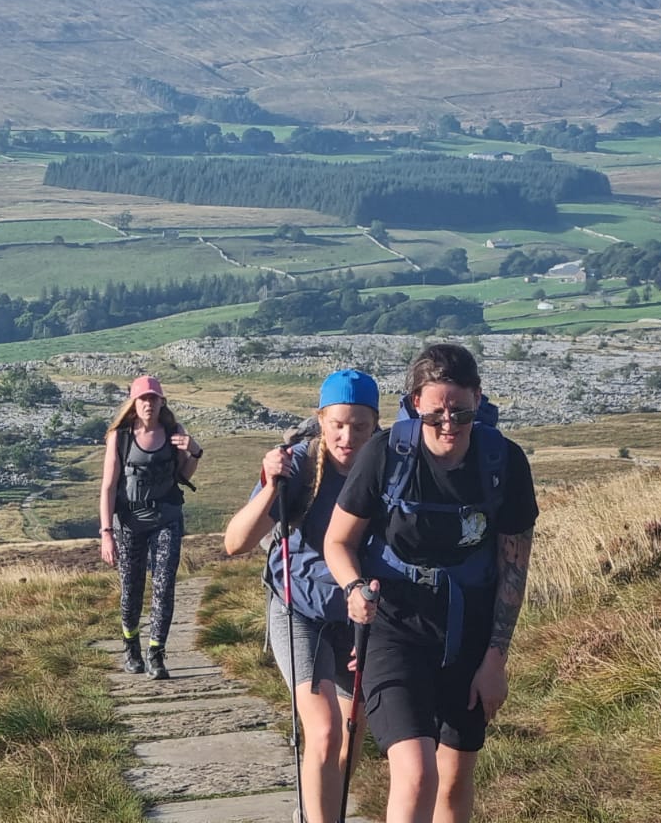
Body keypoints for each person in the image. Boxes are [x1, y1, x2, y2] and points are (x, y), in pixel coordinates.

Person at [324, 343, 537, 823]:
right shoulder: (386, 454)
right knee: (417, 771)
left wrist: (494, 663)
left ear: (478, 401)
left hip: (468, 633)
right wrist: (355, 589)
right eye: (437, 411)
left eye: (460, 412)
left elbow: (514, 569)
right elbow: (337, 541)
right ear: (414, 401)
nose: (449, 424)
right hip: (393, 628)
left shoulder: (505, 464)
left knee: (456, 776)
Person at [222, 369, 382, 823]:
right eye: (337, 424)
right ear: (321, 419)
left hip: (360, 619)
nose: (347, 436)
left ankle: (312, 811)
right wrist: (272, 485)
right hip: (299, 610)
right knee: (326, 731)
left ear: (376, 424)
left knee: (352, 737)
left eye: (360, 426)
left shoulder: (388, 467)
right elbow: (235, 543)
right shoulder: (298, 467)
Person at [99, 374, 202, 680]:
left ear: (161, 402)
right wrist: (106, 533)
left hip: (167, 518)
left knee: (164, 585)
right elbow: (108, 487)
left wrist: (194, 451)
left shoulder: (174, 432)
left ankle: (156, 653)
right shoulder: (120, 437)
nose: (148, 404)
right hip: (129, 522)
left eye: (153, 399)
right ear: (133, 403)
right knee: (131, 588)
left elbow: (184, 474)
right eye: (143, 399)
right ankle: (130, 647)